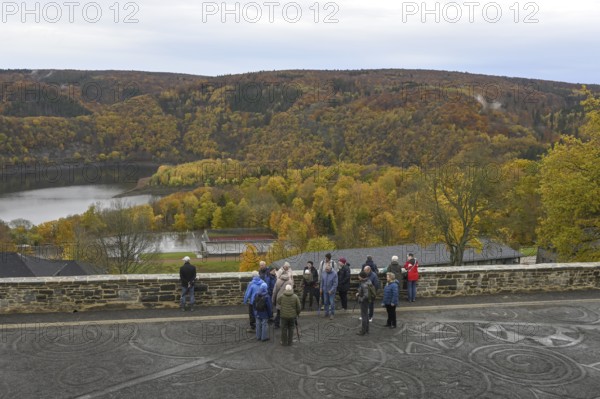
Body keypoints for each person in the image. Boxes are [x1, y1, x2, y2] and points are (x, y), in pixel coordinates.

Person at [272, 263, 293, 328]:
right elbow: (291, 290)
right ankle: (288, 324)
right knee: (287, 312)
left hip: (279, 298)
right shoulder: (290, 281)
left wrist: (273, 300)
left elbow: (275, 292)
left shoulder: (278, 280)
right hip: (288, 298)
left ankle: (276, 324)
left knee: (278, 313)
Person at [356, 271, 372, 335]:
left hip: (364, 302)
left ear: (362, 277)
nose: (358, 277)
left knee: (364, 316)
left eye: (359, 276)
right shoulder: (368, 281)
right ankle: (367, 329)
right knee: (366, 315)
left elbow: (366, 295)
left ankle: (363, 331)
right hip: (366, 301)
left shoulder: (364, 284)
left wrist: (360, 298)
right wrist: (359, 293)